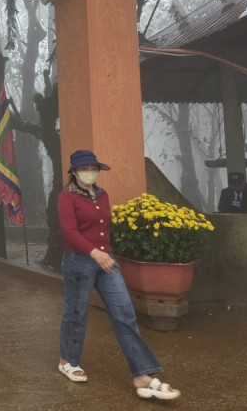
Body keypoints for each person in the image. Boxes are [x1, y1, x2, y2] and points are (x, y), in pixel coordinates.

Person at [57, 149, 180, 400]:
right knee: (76, 312)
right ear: (75, 172)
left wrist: (105, 254)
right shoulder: (66, 197)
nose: (91, 172)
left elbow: (103, 226)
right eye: (85, 168)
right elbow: (70, 231)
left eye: (94, 167)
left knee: (124, 312)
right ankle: (67, 361)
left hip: (107, 260)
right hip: (79, 261)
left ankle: (142, 375)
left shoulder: (102, 195)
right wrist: (93, 252)